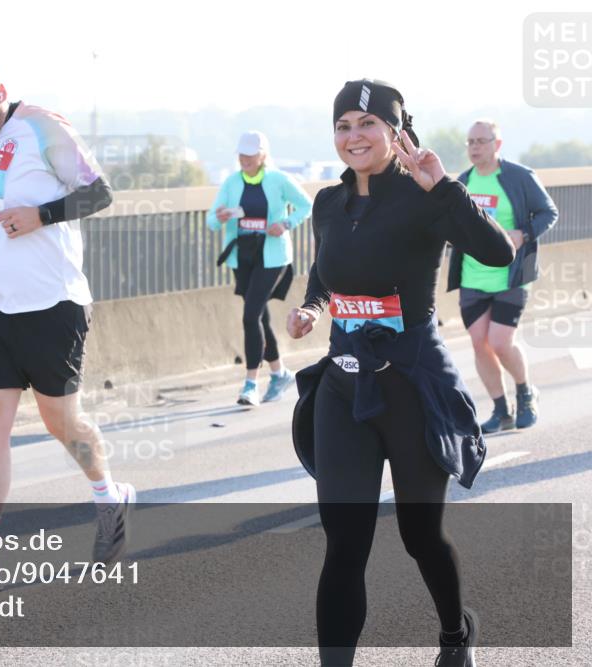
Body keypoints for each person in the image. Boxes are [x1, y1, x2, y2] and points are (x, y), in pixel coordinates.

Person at [287, 79, 515, 667]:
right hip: (343, 385)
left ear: (395, 133)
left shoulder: (425, 194)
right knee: (344, 544)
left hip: (411, 385)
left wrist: (444, 188)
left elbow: (497, 254)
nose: (353, 136)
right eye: (343, 125)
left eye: (367, 124)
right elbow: (327, 271)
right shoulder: (327, 203)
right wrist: (312, 307)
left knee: (420, 537)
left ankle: (454, 634)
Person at [0, 52, 134, 592]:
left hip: (51, 304)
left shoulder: (41, 126)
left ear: (0, 91)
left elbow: (100, 192)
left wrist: (40, 215)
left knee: (61, 423)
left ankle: (109, 496)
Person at [448, 119, 558, 433]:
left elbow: (549, 212)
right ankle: (501, 410)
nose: (475, 147)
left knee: (499, 341)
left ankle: (525, 391)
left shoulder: (519, 177)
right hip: (473, 277)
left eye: (482, 141)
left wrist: (524, 233)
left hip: (512, 275)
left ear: (497, 144)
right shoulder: (463, 182)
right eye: (470, 142)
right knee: (479, 343)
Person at [206, 131, 312, 405]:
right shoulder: (231, 182)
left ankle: (250, 384)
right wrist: (219, 217)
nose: (245, 160)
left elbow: (305, 205)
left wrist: (286, 224)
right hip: (243, 257)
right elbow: (212, 221)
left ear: (263, 155)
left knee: (250, 316)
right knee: (260, 318)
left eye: (251, 155)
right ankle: (279, 373)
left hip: (273, 257)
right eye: (242, 155)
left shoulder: (279, 180)